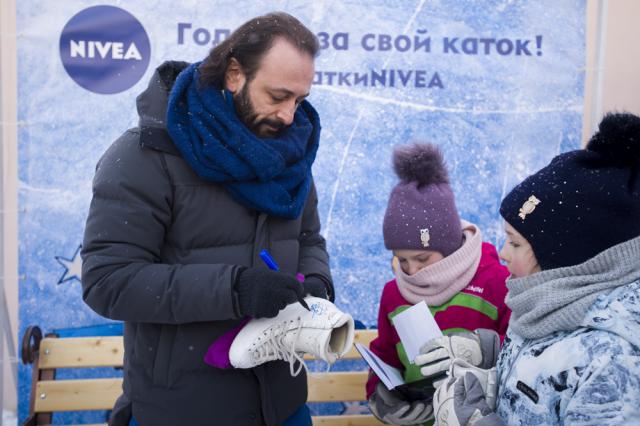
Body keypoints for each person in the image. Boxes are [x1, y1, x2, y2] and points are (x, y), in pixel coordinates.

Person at [81, 12, 333, 426]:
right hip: (184, 409)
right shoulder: (145, 156)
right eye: (278, 96)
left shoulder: (290, 156)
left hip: (283, 406)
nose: (290, 116)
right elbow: (108, 280)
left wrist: (317, 285)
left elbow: (308, 239)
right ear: (234, 74)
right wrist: (235, 289)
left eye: (299, 100)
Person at [432, 112, 640, 425]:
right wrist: (491, 356)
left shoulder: (615, 359)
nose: (502, 254)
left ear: (568, 258)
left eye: (515, 243)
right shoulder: (546, 301)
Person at [366, 143, 511, 425]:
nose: (412, 270)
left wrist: (481, 350)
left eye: (421, 257)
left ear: (448, 244)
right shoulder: (393, 293)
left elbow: (517, 354)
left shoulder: (496, 282)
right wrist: (380, 395)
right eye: (400, 260)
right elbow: (383, 355)